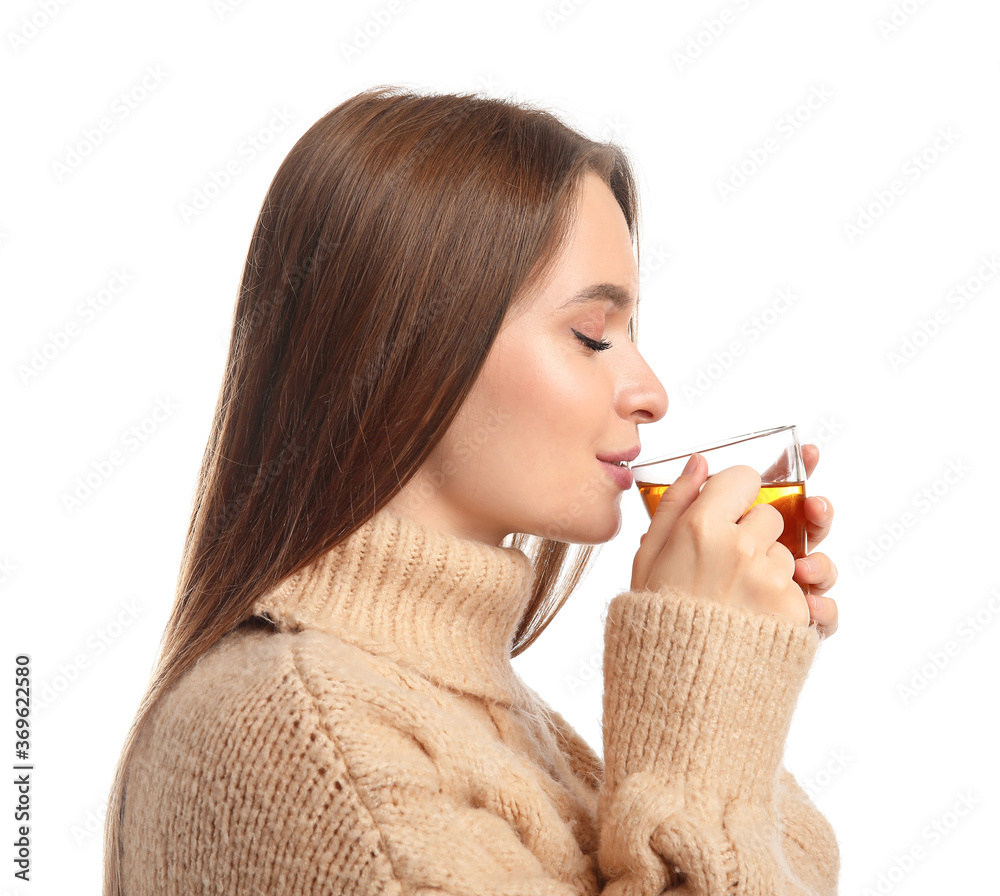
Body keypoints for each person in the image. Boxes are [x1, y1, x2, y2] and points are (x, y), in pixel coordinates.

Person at [103, 84, 840, 895]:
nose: (651, 390)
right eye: (591, 334)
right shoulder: (292, 729)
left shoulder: (501, 725)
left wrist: (733, 688)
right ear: (409, 345)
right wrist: (698, 679)